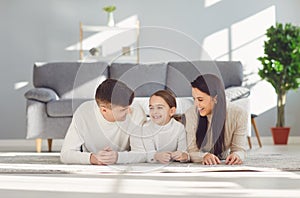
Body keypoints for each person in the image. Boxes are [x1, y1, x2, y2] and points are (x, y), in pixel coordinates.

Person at [60, 79, 147, 165]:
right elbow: (65, 154)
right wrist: (93, 158)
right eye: (123, 110)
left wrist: (118, 157)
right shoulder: (84, 112)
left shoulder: (136, 111)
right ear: (104, 110)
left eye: (129, 106)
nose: (129, 111)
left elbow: (142, 153)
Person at [184, 74, 248, 165]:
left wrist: (237, 155)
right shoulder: (191, 114)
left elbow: (239, 149)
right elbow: (191, 150)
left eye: (200, 99)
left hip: (223, 158)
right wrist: (204, 156)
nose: (196, 104)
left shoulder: (239, 113)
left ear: (215, 98)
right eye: (194, 99)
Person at [132, 90, 188, 164]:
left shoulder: (179, 128)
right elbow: (150, 154)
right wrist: (157, 157)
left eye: (159, 108)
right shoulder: (146, 128)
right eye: (151, 108)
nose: (154, 112)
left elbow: (183, 151)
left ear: (172, 111)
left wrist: (182, 155)